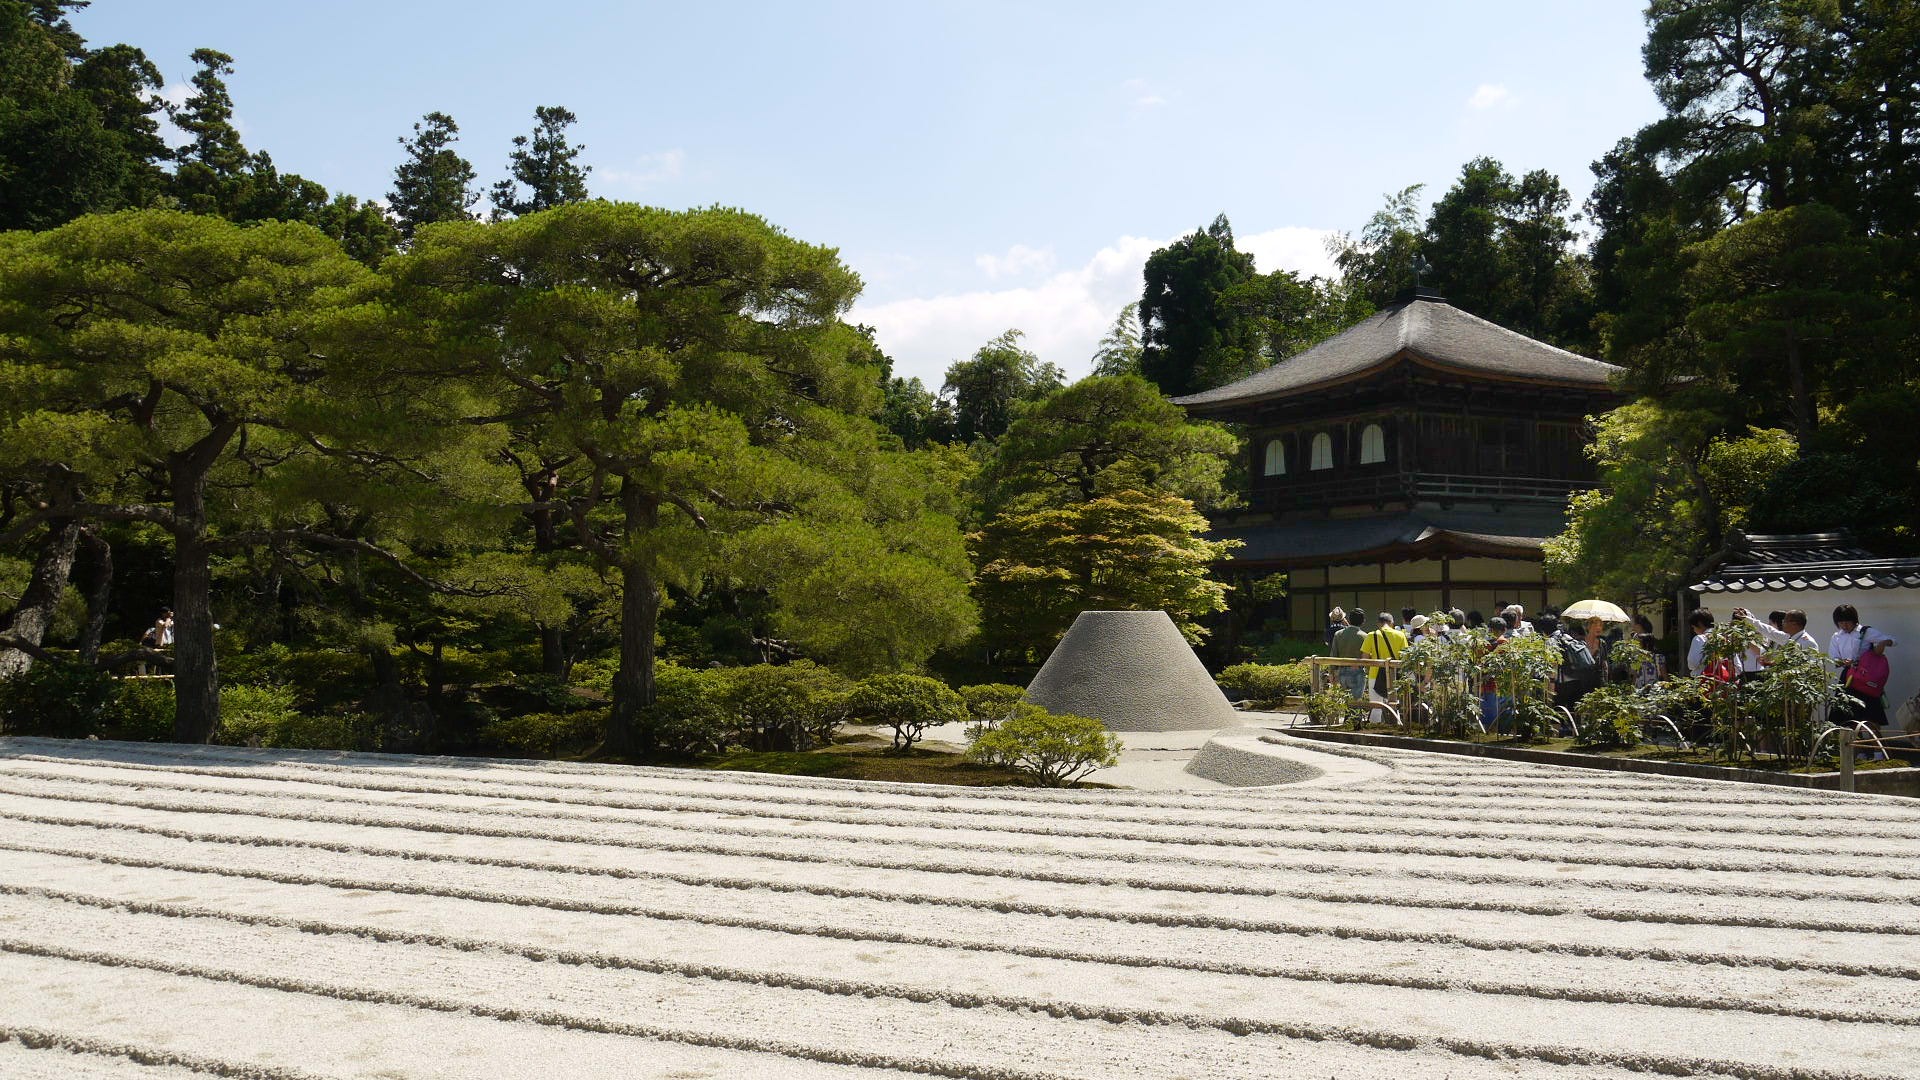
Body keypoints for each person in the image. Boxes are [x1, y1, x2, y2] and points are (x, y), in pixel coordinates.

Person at [1829, 603, 1897, 732]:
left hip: (1865, 676)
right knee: (1848, 715)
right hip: (1848, 677)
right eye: (1841, 622)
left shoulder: (1865, 632)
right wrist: (1843, 662)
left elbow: (1892, 640)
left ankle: (1878, 749)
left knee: (1871, 715)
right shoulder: (1836, 636)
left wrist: (1884, 643)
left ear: (1854, 620)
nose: (1844, 625)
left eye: (1847, 622)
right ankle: (1858, 749)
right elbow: (1834, 659)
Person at [1361, 612, 1409, 699]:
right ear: (1392, 622)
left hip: (1375, 675)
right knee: (1393, 704)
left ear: (1378, 623)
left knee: (1376, 706)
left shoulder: (1372, 635)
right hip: (1394, 675)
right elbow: (1405, 657)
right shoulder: (1400, 635)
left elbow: (1365, 658)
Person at [1480, 616, 1511, 732]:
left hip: (1486, 686)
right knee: (1505, 721)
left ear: (1489, 629)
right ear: (1504, 630)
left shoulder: (1482, 645)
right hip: (1504, 687)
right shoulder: (1506, 644)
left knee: (1488, 723)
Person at [1330, 610, 1368, 701]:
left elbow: (1333, 654)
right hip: (1357, 671)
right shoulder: (1365, 636)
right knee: (1355, 703)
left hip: (1341, 671)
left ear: (1348, 620)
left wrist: (1331, 672)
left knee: (1343, 702)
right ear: (1363, 621)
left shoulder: (1338, 634)